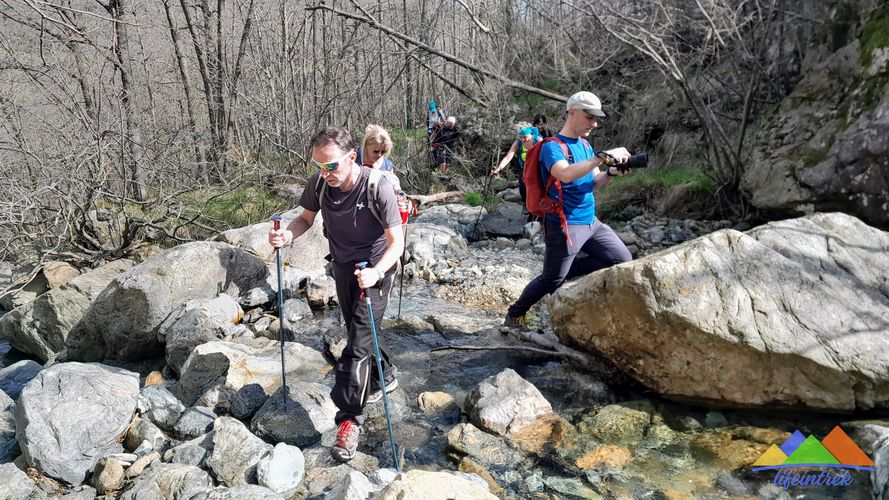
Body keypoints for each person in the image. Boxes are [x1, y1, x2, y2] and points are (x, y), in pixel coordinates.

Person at [268, 127, 404, 462]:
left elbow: (396, 244)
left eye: (331, 166)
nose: (325, 173)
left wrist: (377, 271)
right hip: (342, 267)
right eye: (319, 166)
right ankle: (385, 375)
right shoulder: (319, 184)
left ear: (352, 157)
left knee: (356, 345)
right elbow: (305, 220)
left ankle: (348, 421)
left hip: (375, 269)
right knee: (362, 331)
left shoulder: (377, 186)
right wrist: (287, 236)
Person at [503, 91, 634, 328]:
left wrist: (612, 173)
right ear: (572, 112)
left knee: (622, 258)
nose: (594, 124)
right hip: (565, 224)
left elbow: (595, 182)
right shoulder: (551, 147)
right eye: (589, 117)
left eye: (597, 119)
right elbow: (565, 173)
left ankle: (566, 269)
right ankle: (515, 314)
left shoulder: (585, 145)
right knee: (551, 280)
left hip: (591, 222)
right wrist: (602, 158)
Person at [491, 124, 542, 214]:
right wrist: (499, 168)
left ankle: (538, 208)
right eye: (521, 137)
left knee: (537, 188)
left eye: (525, 137)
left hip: (537, 168)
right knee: (522, 186)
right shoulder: (518, 143)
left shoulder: (538, 141)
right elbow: (508, 157)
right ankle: (525, 204)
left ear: (531, 135)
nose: (523, 139)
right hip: (524, 168)